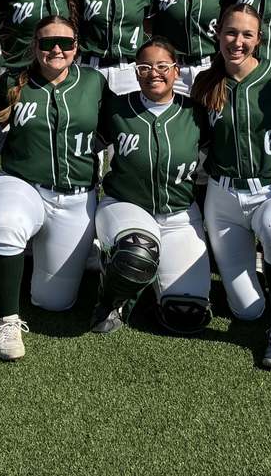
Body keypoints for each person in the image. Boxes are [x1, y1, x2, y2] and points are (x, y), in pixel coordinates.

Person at [0, 16, 105, 361]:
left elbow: (111, 129)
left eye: (65, 43)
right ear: (35, 46)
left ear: (76, 47)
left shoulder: (94, 81)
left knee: (53, 301)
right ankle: (6, 318)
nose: (56, 49)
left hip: (76, 195)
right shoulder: (11, 81)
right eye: (47, 42)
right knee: (4, 224)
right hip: (22, 183)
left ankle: (40, 249)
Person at [193, 3, 271, 369]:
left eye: (246, 34)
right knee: (246, 309)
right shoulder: (207, 81)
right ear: (218, 34)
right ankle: (263, 286)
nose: (237, 41)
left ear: (258, 39)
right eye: (230, 32)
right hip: (222, 195)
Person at [90, 37, 212, 335]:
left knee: (186, 314)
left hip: (179, 215)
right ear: (135, 71)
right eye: (144, 67)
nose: (153, 73)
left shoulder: (195, 111)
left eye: (162, 66)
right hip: (125, 206)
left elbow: (216, 162)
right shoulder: (117, 108)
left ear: (176, 69)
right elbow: (83, 146)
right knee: (137, 249)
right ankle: (110, 297)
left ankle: (144, 282)